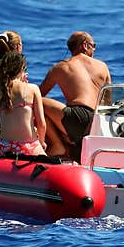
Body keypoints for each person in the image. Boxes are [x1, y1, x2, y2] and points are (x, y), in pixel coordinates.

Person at [39, 31, 111, 161]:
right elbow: (108, 101)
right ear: (85, 45)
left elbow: (38, 94)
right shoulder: (103, 66)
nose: (94, 49)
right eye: (93, 45)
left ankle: (57, 145)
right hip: (97, 123)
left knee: (38, 101)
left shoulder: (61, 67)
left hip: (77, 118)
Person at [0, 51, 47, 157]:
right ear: (21, 69)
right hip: (28, 148)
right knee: (34, 130)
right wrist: (42, 143)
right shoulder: (32, 88)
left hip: (4, 147)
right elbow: (42, 124)